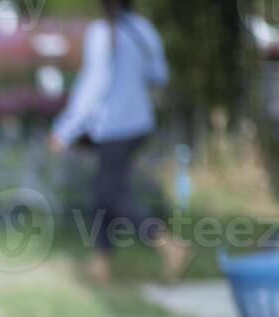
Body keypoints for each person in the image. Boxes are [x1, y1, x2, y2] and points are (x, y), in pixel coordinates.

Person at [49, 0, 188, 282]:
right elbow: (158, 75)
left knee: (114, 193)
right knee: (103, 192)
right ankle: (101, 262)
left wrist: (65, 130)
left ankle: (166, 243)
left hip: (115, 127)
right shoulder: (143, 29)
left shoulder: (102, 32)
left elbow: (93, 85)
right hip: (139, 124)